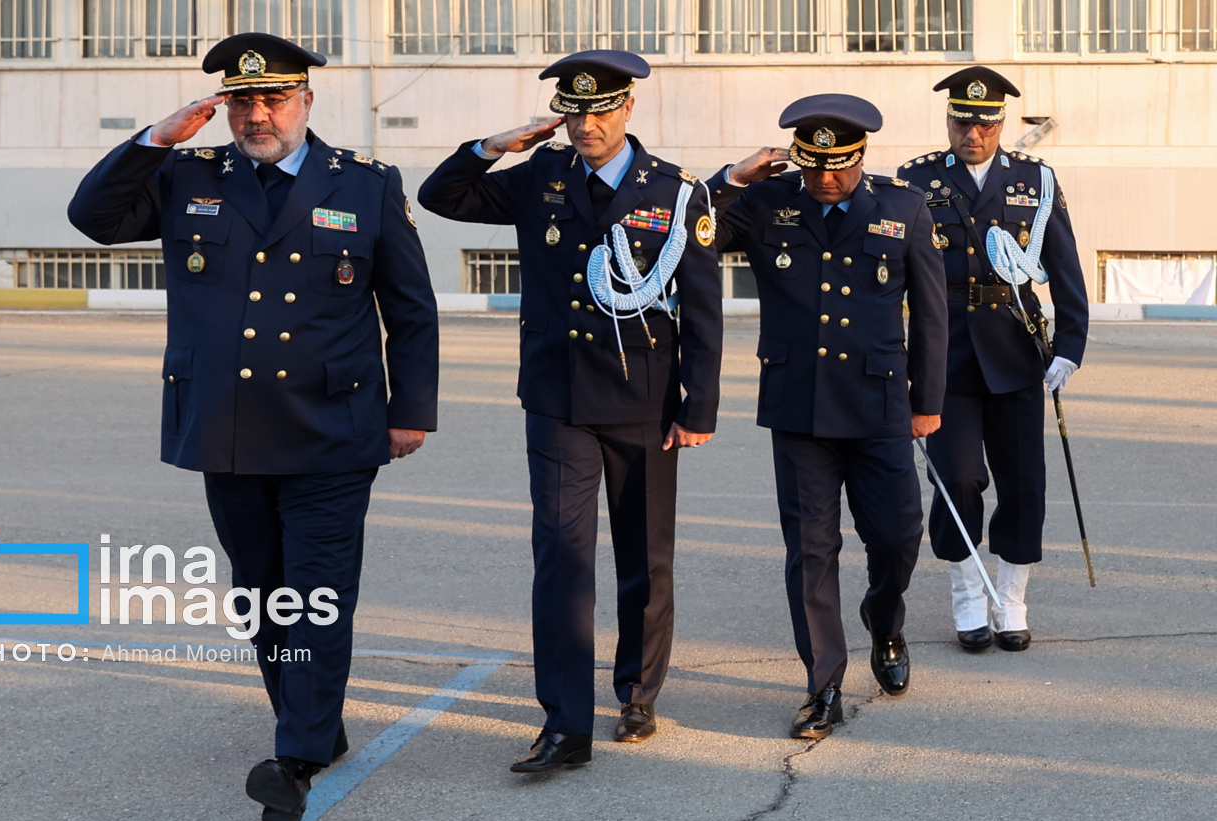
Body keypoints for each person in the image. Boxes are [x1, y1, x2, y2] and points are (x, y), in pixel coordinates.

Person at [67, 33, 439, 821]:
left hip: (331, 428)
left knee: (316, 595)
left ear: (307, 100)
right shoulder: (187, 175)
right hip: (228, 429)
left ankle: (295, 755)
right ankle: (316, 723)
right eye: (242, 101)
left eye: (273, 99)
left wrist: (410, 409)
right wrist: (154, 138)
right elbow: (93, 219)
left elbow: (409, 307)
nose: (257, 114)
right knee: (261, 593)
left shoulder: (367, 185)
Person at [418, 50, 722, 772]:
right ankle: (564, 722)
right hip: (558, 398)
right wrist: (492, 148)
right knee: (560, 556)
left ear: (628, 109)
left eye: (601, 110)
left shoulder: (678, 193)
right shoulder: (540, 177)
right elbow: (441, 197)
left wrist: (698, 405)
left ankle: (638, 692)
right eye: (574, 111)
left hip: (645, 402)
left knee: (645, 558)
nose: (586, 124)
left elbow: (705, 311)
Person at [705, 95, 947, 739]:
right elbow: (692, 235)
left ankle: (885, 621)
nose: (826, 179)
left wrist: (928, 403)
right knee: (811, 550)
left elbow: (929, 314)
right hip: (800, 406)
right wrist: (730, 179)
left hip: (880, 405)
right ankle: (823, 684)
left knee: (897, 538)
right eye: (813, 167)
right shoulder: (765, 203)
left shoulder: (902, 206)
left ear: (860, 156)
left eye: (838, 166)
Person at [899, 67, 1088, 653]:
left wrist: (1070, 349)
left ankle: (1012, 601)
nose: (972, 132)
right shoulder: (916, 180)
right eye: (962, 120)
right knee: (956, 480)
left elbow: (1065, 268)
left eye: (984, 122)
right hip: (944, 353)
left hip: (1015, 348)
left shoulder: (1034, 179)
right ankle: (967, 596)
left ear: (1001, 122)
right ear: (949, 120)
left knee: (1024, 483)